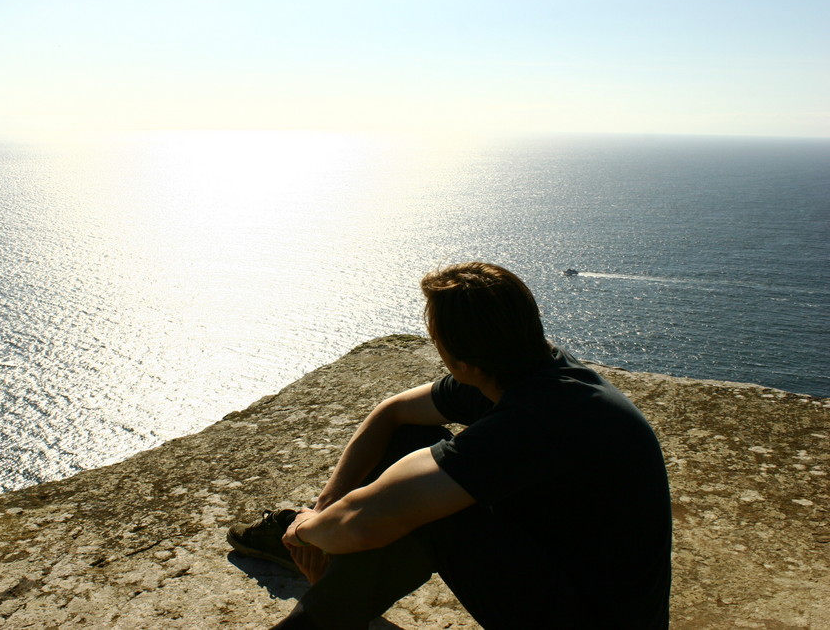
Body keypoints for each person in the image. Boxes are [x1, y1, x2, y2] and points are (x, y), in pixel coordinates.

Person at [227, 262, 672, 628]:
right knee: (410, 446)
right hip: (569, 568)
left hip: (592, 620)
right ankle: (328, 577)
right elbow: (393, 413)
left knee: (427, 512)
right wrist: (328, 503)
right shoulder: (524, 364)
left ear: (460, 361)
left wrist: (305, 528)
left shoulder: (536, 420)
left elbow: (366, 523)